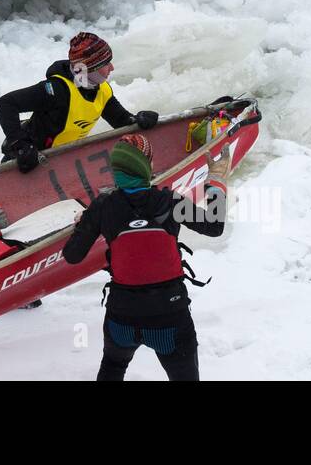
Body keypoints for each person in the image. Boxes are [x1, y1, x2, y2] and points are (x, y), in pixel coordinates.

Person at [62, 132, 229, 381]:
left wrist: (86, 222)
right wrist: (216, 180)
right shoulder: (170, 202)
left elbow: (73, 256)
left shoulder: (102, 207)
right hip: (169, 317)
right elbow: (214, 226)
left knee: (113, 368)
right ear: (145, 166)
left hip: (122, 319)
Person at [0, 32, 159, 173]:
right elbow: (4, 104)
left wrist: (139, 120)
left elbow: (122, 122)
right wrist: (21, 145)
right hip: (26, 164)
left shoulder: (102, 90)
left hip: (60, 162)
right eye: (105, 64)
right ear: (87, 68)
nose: (112, 68)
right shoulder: (56, 90)